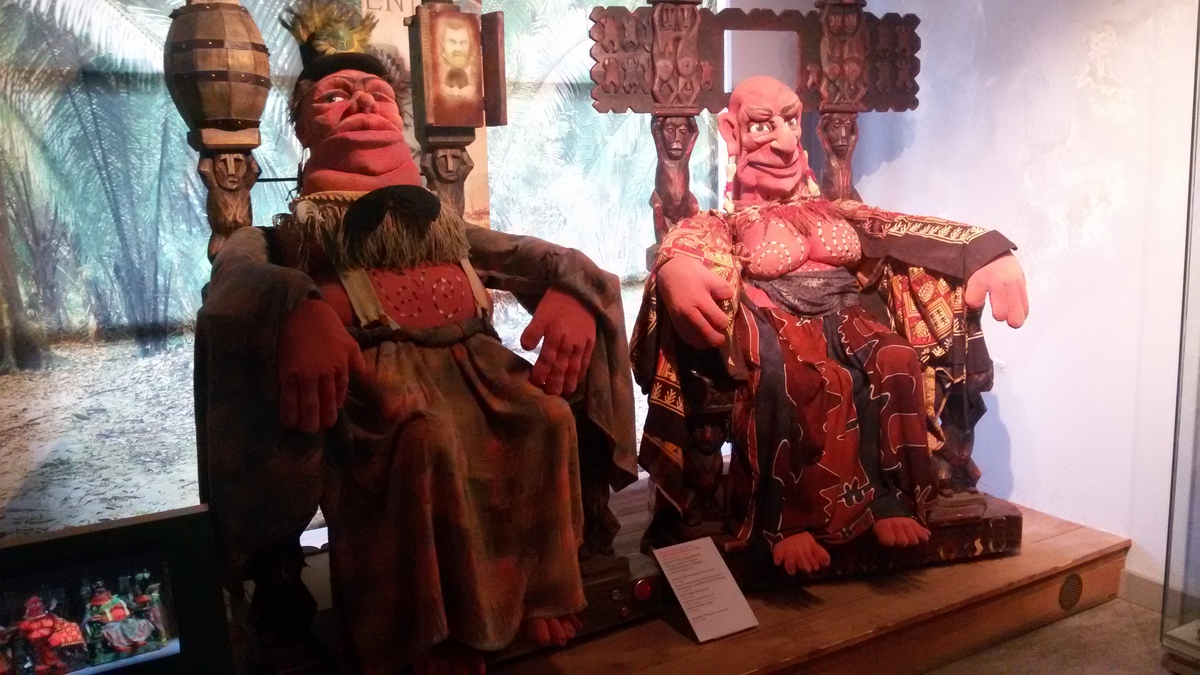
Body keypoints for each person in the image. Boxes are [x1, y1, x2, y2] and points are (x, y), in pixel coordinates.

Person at [196, 7, 636, 671]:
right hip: (377, 383)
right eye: (335, 96)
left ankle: (541, 587)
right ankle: (426, 627)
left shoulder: (440, 224)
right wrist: (295, 305)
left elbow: (528, 255)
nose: (360, 103)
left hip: (477, 365)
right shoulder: (290, 233)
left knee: (545, 418)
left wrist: (576, 287)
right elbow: (234, 278)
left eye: (376, 94)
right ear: (304, 129)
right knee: (419, 439)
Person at [632, 75, 1027, 576]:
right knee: (790, 377)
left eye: (791, 121)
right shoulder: (730, 222)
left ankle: (889, 498)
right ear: (732, 134)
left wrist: (987, 250)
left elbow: (907, 229)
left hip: (845, 311)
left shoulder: (839, 213)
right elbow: (688, 238)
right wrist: (677, 267)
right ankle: (784, 521)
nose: (783, 142)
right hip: (774, 314)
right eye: (762, 126)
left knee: (896, 360)